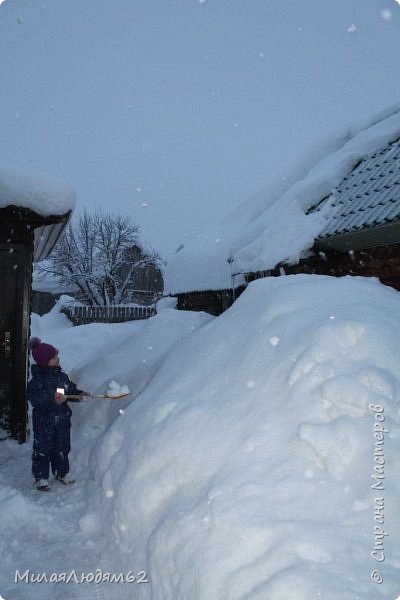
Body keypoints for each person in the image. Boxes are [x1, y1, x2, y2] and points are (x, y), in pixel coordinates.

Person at [27, 337, 87, 491]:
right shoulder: (37, 381)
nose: (57, 358)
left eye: (56, 355)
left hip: (61, 420)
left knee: (62, 447)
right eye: (53, 357)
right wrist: (52, 400)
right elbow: (35, 399)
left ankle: (61, 472)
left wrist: (78, 394)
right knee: (42, 449)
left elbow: (69, 390)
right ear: (44, 361)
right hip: (44, 422)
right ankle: (40, 477)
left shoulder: (61, 376)